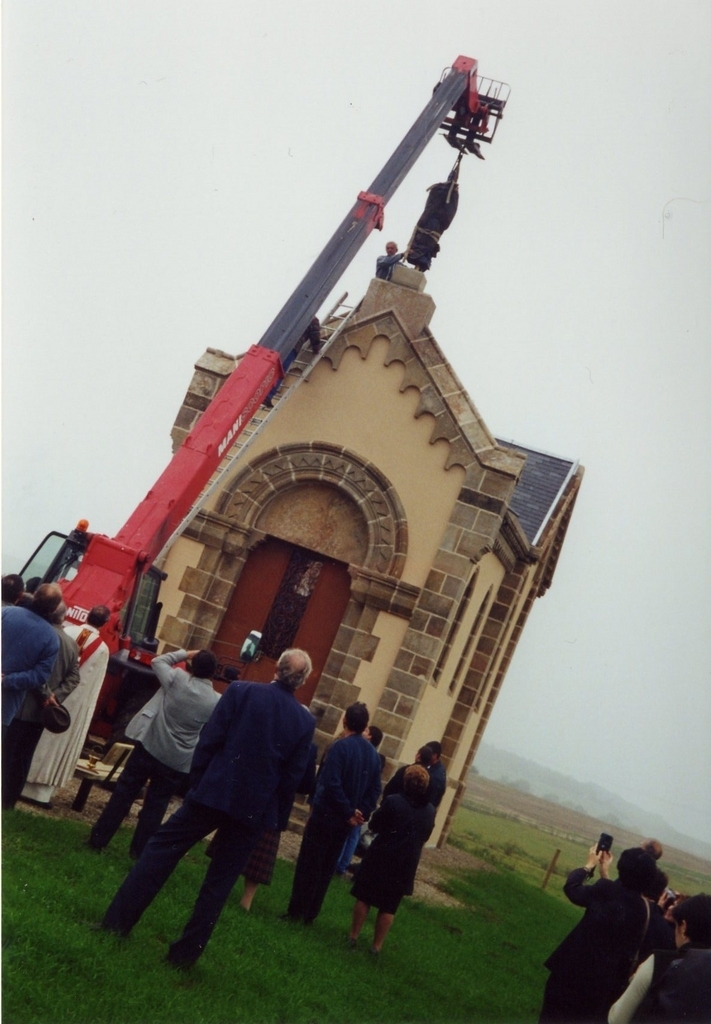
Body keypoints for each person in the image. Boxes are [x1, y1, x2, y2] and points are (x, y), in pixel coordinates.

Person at [99, 648, 315, 968]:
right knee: (219, 883)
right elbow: (292, 778)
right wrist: (274, 819)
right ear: (303, 681)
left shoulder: (242, 692)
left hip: (215, 791)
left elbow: (210, 740)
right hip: (252, 810)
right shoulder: (303, 721)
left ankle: (117, 923)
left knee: (160, 850)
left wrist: (197, 783)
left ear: (277, 670)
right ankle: (185, 955)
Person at [88, 648, 221, 859]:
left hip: (151, 744)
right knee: (156, 806)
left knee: (124, 793)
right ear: (213, 673)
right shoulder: (216, 701)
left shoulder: (177, 679)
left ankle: (98, 839)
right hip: (177, 758)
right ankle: (139, 853)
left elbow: (159, 661)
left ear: (192, 666)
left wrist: (185, 653)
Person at [284, 701, 381, 925]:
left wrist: (349, 811)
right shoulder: (373, 755)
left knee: (310, 864)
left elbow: (332, 782)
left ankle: (297, 911)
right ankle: (311, 913)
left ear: (345, 720)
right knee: (327, 866)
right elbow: (375, 790)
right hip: (346, 821)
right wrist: (361, 813)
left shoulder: (340, 747)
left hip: (328, 814)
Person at [539, 845, 658, 1022]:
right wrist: (605, 875)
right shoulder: (644, 910)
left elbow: (572, 889)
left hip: (571, 971)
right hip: (603, 985)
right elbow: (619, 902)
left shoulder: (605, 890)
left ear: (621, 867)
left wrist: (589, 865)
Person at [22, 605, 111, 805]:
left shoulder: (67, 631)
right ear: (105, 624)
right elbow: (93, 687)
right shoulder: (103, 649)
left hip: (45, 695)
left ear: (87, 615)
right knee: (55, 744)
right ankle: (40, 793)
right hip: (70, 707)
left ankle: (19, 781)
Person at [348, 763, 435, 955]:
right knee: (389, 906)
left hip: (381, 856)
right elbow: (426, 835)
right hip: (406, 863)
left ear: (405, 782)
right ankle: (376, 946)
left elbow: (376, 825)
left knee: (365, 897)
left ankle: (353, 936)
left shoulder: (394, 801)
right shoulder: (430, 811)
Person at [2, 593, 80, 809]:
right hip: (40, 712)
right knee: (24, 757)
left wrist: (46, 693)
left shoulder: (43, 635)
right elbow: (74, 676)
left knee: (7, 755)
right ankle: (10, 800)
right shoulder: (71, 644)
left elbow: (37, 676)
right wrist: (55, 697)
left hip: (21, 705)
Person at [233, 742, 317, 912]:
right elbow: (306, 784)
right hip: (277, 801)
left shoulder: (270, 722)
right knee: (259, 851)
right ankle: (246, 900)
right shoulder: (308, 745)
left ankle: (222, 887)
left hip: (254, 790)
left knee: (236, 839)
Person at [608, 892, 711, 1022]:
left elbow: (617, 1018)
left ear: (684, 928)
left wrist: (636, 979)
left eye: (676, 925)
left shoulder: (658, 961)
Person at [1, 583, 62, 734]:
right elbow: (39, 676)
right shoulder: (51, 639)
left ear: (34, 595)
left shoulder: (5, 613)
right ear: (54, 609)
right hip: (6, 702)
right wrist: (6, 680)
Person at [334, 725, 385, 876]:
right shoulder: (377, 758)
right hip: (361, 806)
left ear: (370, 737)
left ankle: (338, 864)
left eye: (366, 731)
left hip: (355, 803)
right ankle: (342, 865)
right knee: (353, 836)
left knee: (348, 835)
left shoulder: (368, 755)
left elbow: (374, 787)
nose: (363, 732)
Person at [425, 739, 447, 809]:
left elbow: (430, 800)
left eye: (427, 753)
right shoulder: (434, 768)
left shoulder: (436, 776)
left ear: (434, 756)